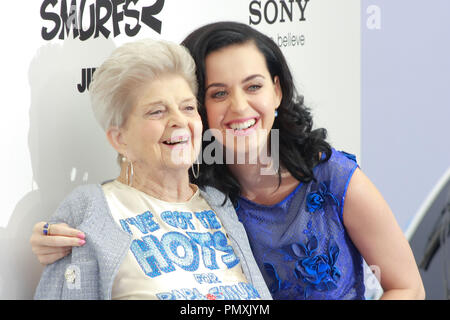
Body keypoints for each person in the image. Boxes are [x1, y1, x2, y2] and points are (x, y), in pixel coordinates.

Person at [31, 22, 425, 300]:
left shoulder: (330, 177)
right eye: (218, 93)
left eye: (253, 86)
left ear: (277, 91)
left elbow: (407, 286)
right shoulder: (209, 192)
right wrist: (60, 239)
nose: (239, 107)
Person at [32, 38, 272, 300]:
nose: (180, 121)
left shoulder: (219, 203)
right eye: (157, 111)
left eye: (188, 108)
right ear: (119, 138)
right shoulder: (90, 209)